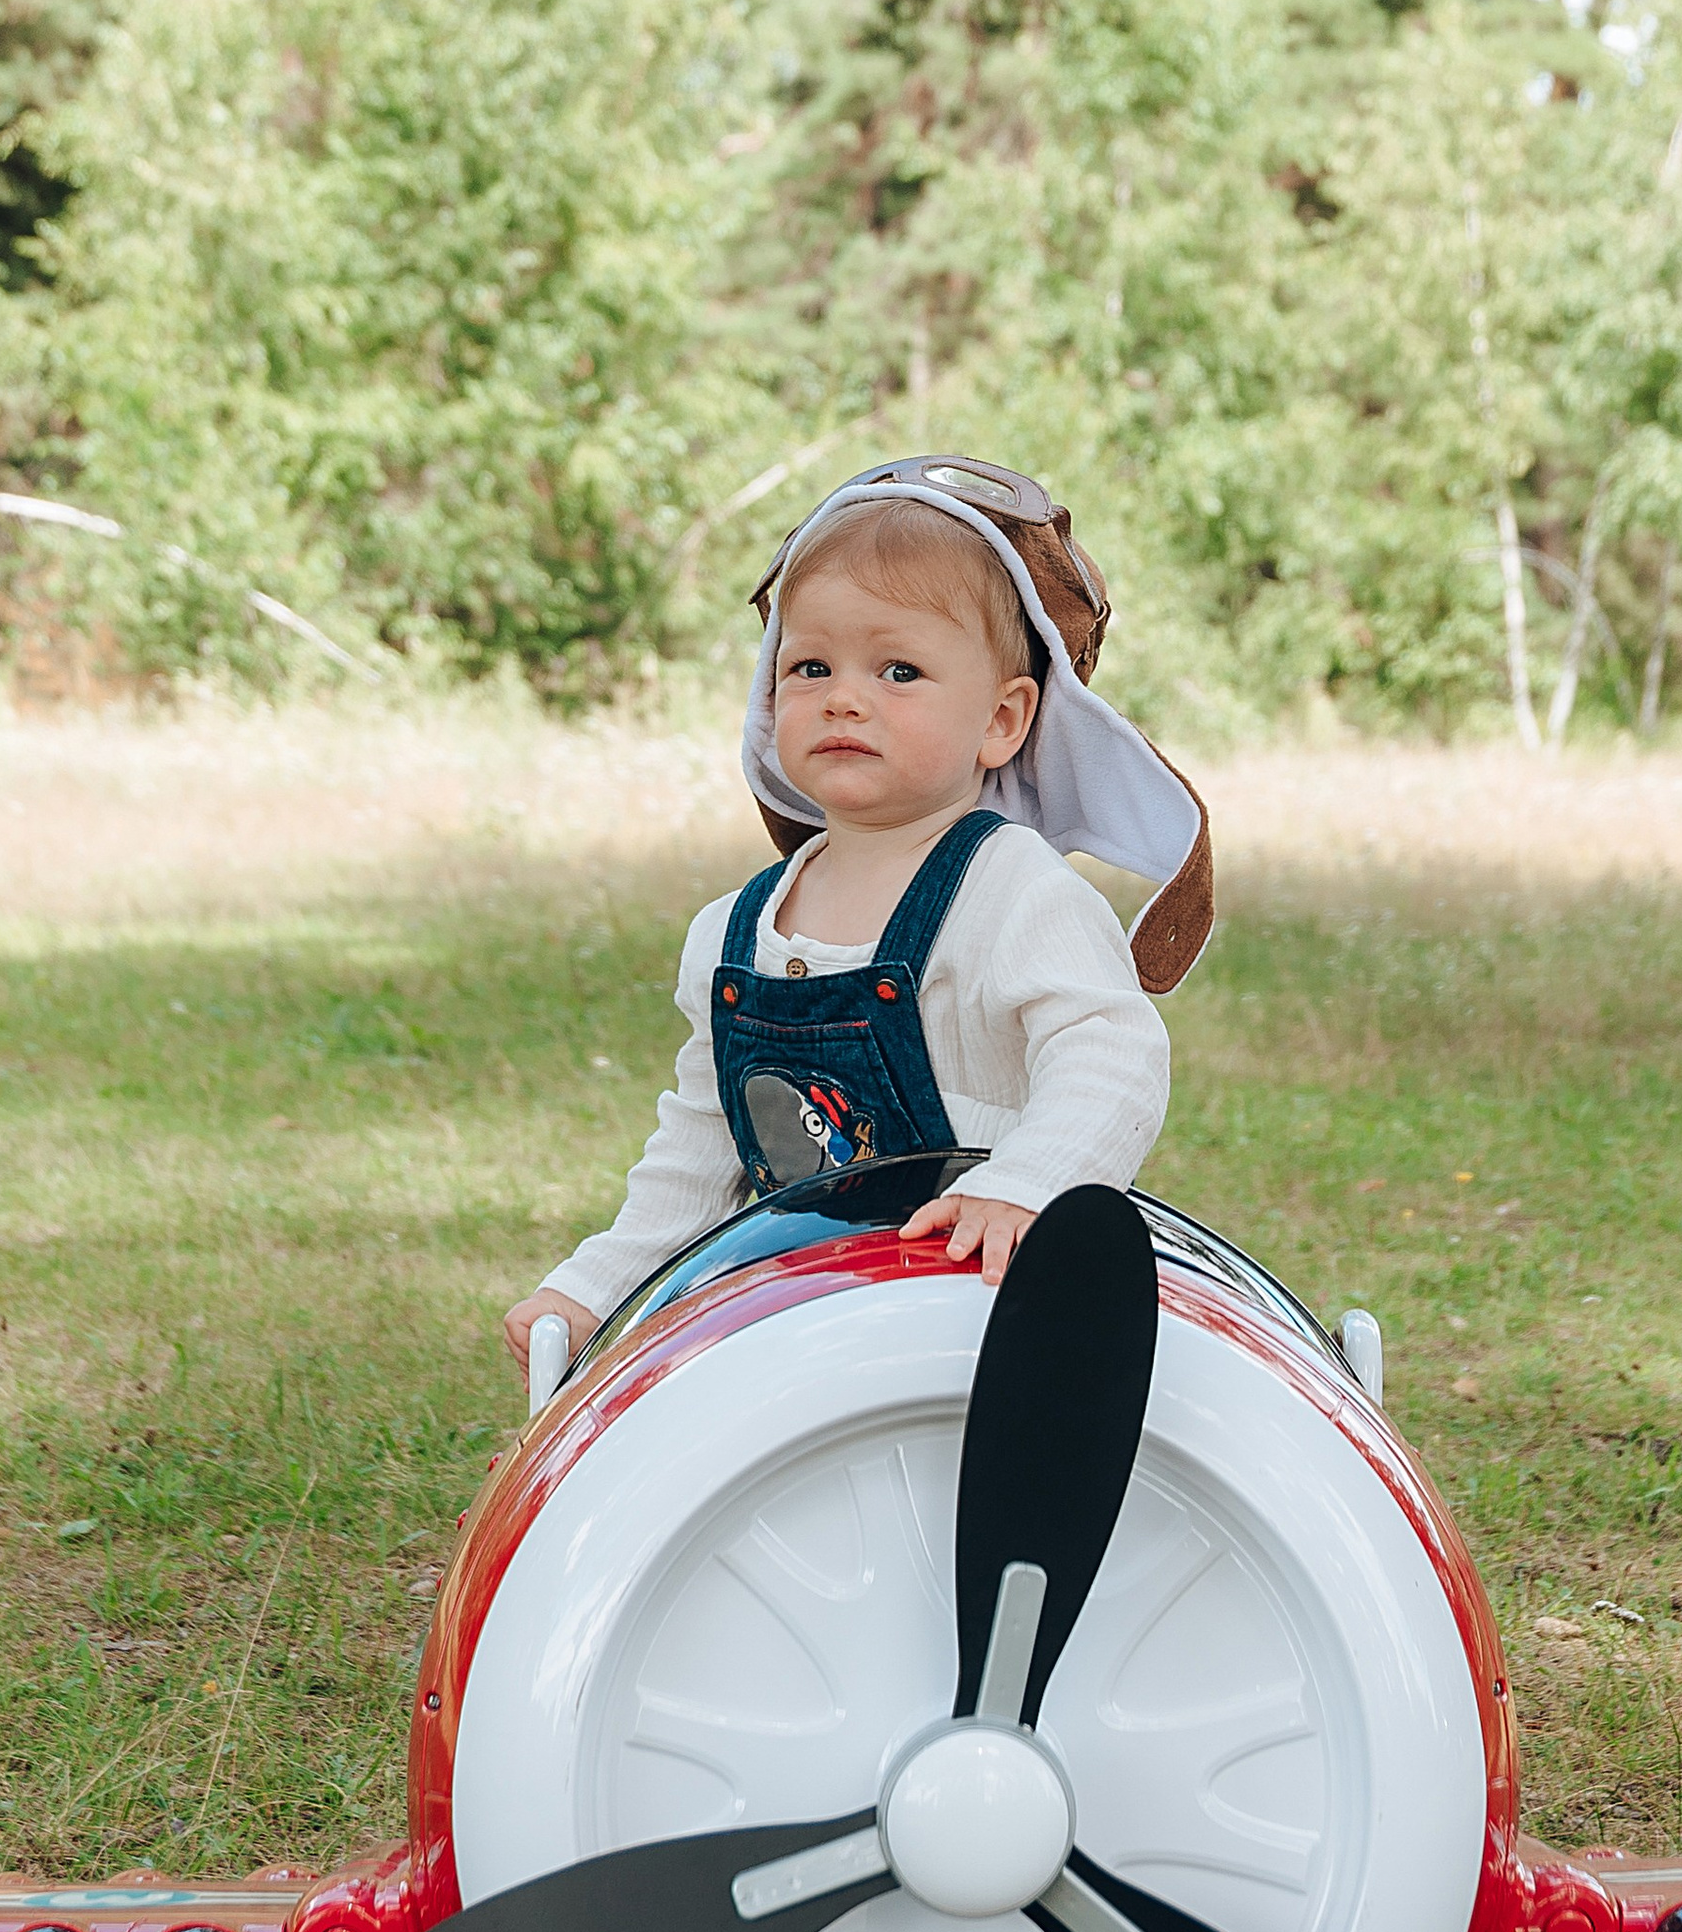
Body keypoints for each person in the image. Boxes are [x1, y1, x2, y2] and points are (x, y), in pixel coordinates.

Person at [503, 455, 1215, 1372]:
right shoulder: (735, 932)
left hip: (985, 1304)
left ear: (1002, 720)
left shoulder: (1014, 893)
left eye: (900, 670)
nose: (845, 696)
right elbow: (702, 1140)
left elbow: (1112, 1054)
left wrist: (1032, 1187)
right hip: (804, 1320)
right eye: (811, 665)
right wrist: (597, 1288)